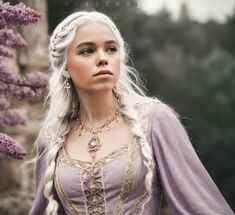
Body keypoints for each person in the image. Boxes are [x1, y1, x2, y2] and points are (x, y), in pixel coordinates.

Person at [29, 11, 234, 215]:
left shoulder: (154, 119)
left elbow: (199, 204)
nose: (102, 58)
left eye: (111, 49)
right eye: (87, 51)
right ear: (65, 67)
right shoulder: (51, 139)